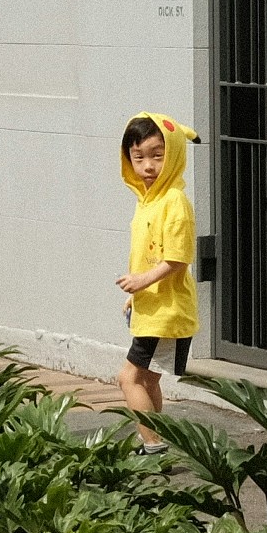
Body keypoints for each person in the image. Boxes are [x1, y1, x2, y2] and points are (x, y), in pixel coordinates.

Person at [114, 111, 198, 418]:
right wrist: (134, 296)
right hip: (152, 309)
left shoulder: (174, 201)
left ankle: (152, 445)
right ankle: (156, 445)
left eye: (157, 156)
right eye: (138, 157)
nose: (147, 166)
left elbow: (177, 258)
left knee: (129, 378)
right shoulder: (149, 200)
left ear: (173, 155)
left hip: (167, 313)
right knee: (147, 381)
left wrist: (141, 282)